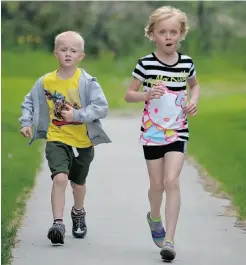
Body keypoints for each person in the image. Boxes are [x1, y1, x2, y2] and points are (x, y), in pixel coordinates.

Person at [19, 31, 111, 245]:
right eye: (63, 49)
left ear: (81, 55)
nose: (68, 54)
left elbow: (101, 107)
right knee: (60, 177)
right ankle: (58, 223)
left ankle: (78, 212)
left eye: (73, 50)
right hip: (57, 137)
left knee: (78, 184)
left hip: (83, 142)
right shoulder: (45, 82)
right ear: (55, 53)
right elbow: (29, 102)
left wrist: (77, 115)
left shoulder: (87, 82)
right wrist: (25, 122)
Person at [125, 6, 200, 261]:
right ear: (153, 35)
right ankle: (154, 218)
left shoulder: (187, 63)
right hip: (152, 133)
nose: (168, 37)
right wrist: (146, 94)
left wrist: (193, 101)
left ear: (181, 34)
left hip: (178, 130)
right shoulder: (145, 63)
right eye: (162, 32)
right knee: (156, 185)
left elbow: (195, 86)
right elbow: (129, 94)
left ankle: (170, 239)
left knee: (172, 182)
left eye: (173, 32)